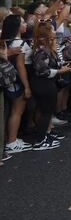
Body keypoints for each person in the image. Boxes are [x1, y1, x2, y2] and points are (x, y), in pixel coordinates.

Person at [29, 22, 71, 150]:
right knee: (46, 112)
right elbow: (42, 71)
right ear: (47, 33)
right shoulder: (41, 50)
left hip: (47, 83)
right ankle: (40, 141)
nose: (55, 32)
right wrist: (60, 71)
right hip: (43, 84)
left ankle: (45, 136)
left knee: (46, 112)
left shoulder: (46, 48)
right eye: (52, 30)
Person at [1, 15, 33, 154]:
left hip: (10, 81)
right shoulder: (19, 44)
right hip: (17, 81)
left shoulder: (6, 42)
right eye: (23, 22)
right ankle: (12, 142)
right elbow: (21, 67)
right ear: (17, 27)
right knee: (17, 111)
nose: (26, 24)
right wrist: (26, 86)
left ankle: (11, 139)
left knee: (12, 111)